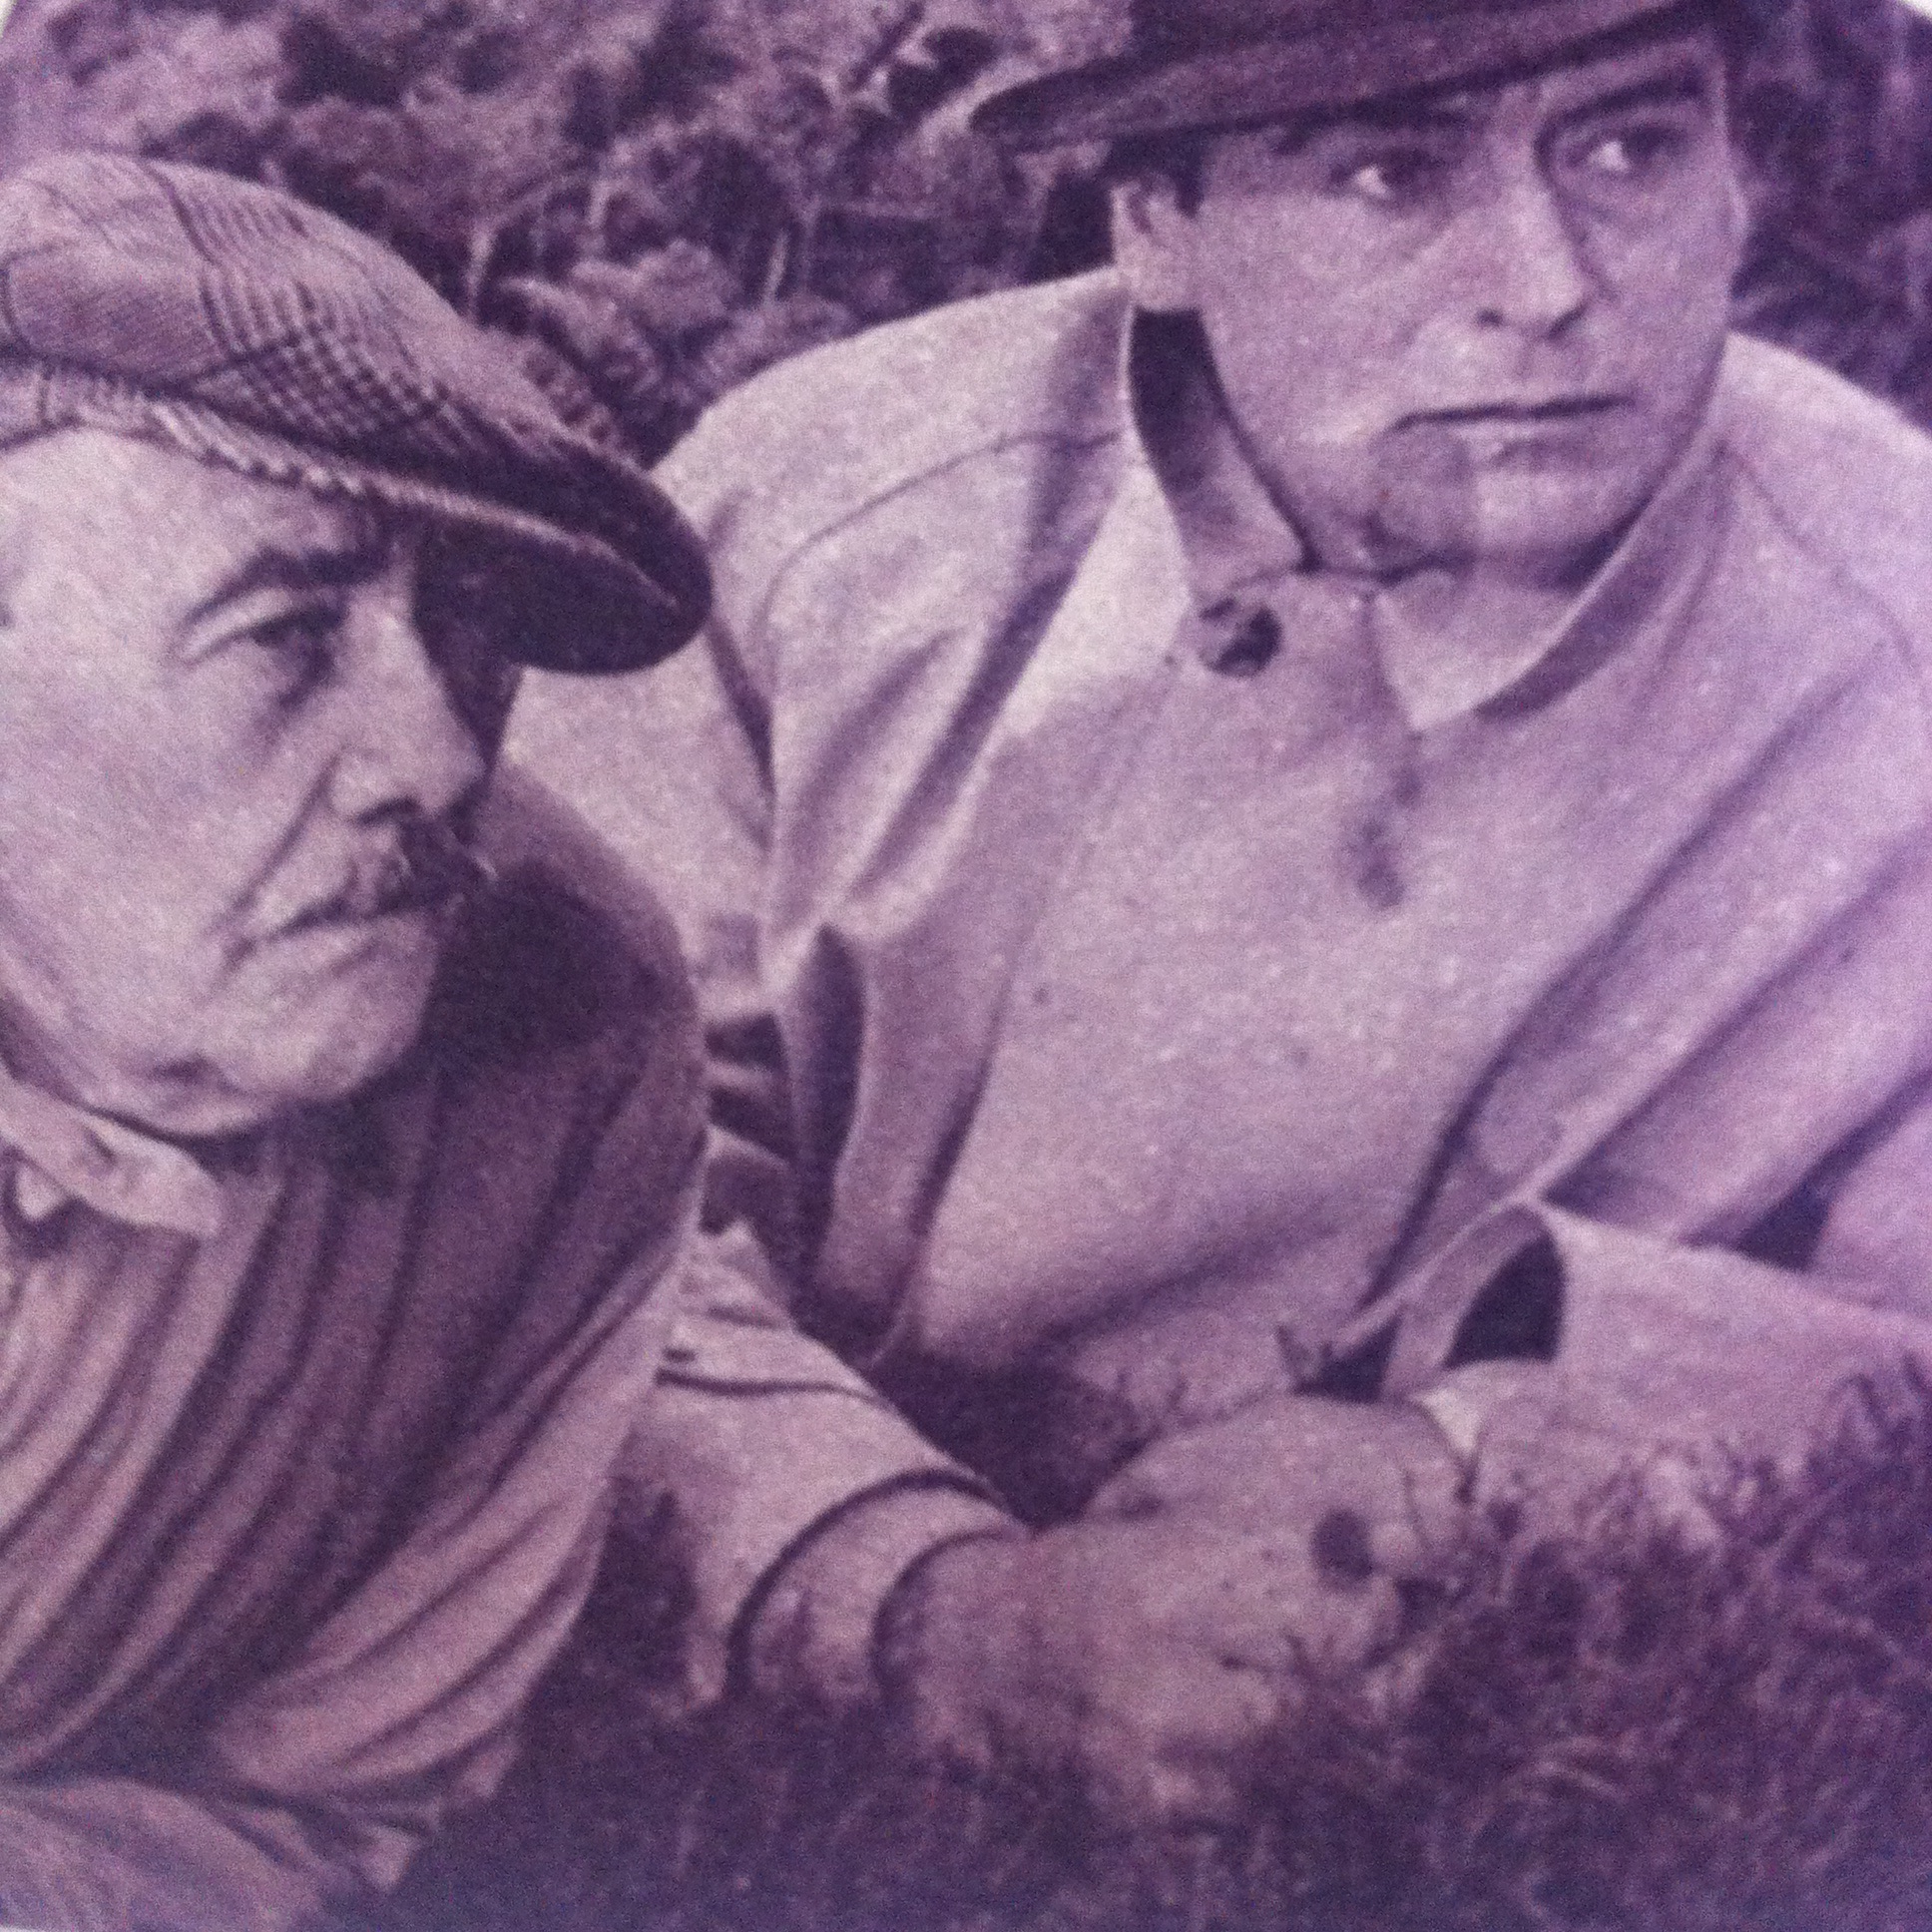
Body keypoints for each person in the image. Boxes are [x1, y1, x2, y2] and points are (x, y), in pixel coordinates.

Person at [513, 0, 1932, 1829]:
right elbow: (533, 1194)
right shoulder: (830, 521)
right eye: (1393, 173)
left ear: (1736, 177)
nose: (1548, 286)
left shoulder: (1893, 639)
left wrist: (1481, 1440)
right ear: (1155, 224)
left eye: (1628, 147)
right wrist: (928, 1606)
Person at [0, 152, 712, 1930]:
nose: (442, 756)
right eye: (287, 629)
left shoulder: (561, 1026)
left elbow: (311, 1819)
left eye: (465, 618)